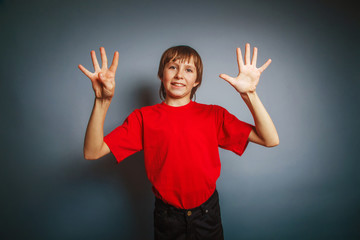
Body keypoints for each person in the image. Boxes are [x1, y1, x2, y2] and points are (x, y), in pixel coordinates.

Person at [78, 43, 279, 240]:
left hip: (207, 214)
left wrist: (249, 94)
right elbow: (92, 151)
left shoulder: (213, 115)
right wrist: (102, 101)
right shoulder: (143, 118)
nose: (179, 75)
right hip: (168, 219)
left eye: (188, 69)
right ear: (161, 74)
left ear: (197, 80)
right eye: (173, 67)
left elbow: (269, 139)